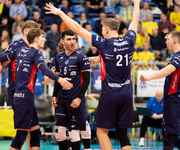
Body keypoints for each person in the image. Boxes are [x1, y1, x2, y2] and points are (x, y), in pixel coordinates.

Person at [44, 0, 140, 149]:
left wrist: (61, 13)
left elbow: (77, 28)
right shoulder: (129, 40)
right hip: (127, 93)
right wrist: (137, 3)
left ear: (107, 31)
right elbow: (135, 21)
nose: (101, 32)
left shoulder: (104, 44)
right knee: (123, 135)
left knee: (102, 132)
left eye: (102, 29)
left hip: (110, 93)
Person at [0, 28, 73, 150]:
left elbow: (0, 58)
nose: (45, 39)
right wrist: (60, 80)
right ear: (36, 39)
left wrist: (8, 50)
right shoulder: (36, 53)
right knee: (21, 135)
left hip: (20, 96)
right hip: (25, 97)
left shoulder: (19, 50)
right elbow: (44, 69)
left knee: (36, 133)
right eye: (43, 37)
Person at [0, 20, 42, 150]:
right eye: (35, 32)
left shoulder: (33, 47)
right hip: (17, 91)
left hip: (28, 91)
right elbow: (1, 63)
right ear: (26, 31)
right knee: (23, 132)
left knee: (34, 132)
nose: (38, 36)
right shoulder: (16, 45)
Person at [49, 29, 91, 150]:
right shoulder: (58, 57)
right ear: (63, 42)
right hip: (62, 100)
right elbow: (58, 79)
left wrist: (79, 98)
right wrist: (54, 95)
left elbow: (87, 80)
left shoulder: (81, 56)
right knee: (60, 133)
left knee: (73, 133)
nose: (72, 41)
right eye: (69, 39)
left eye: (73, 39)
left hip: (75, 100)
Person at [140, 31, 180, 149]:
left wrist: (148, 77)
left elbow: (167, 70)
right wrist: (171, 36)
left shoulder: (178, 57)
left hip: (173, 100)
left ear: (174, 41)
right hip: (170, 100)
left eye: (168, 40)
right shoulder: (175, 55)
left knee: (171, 135)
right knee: (166, 135)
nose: (165, 42)